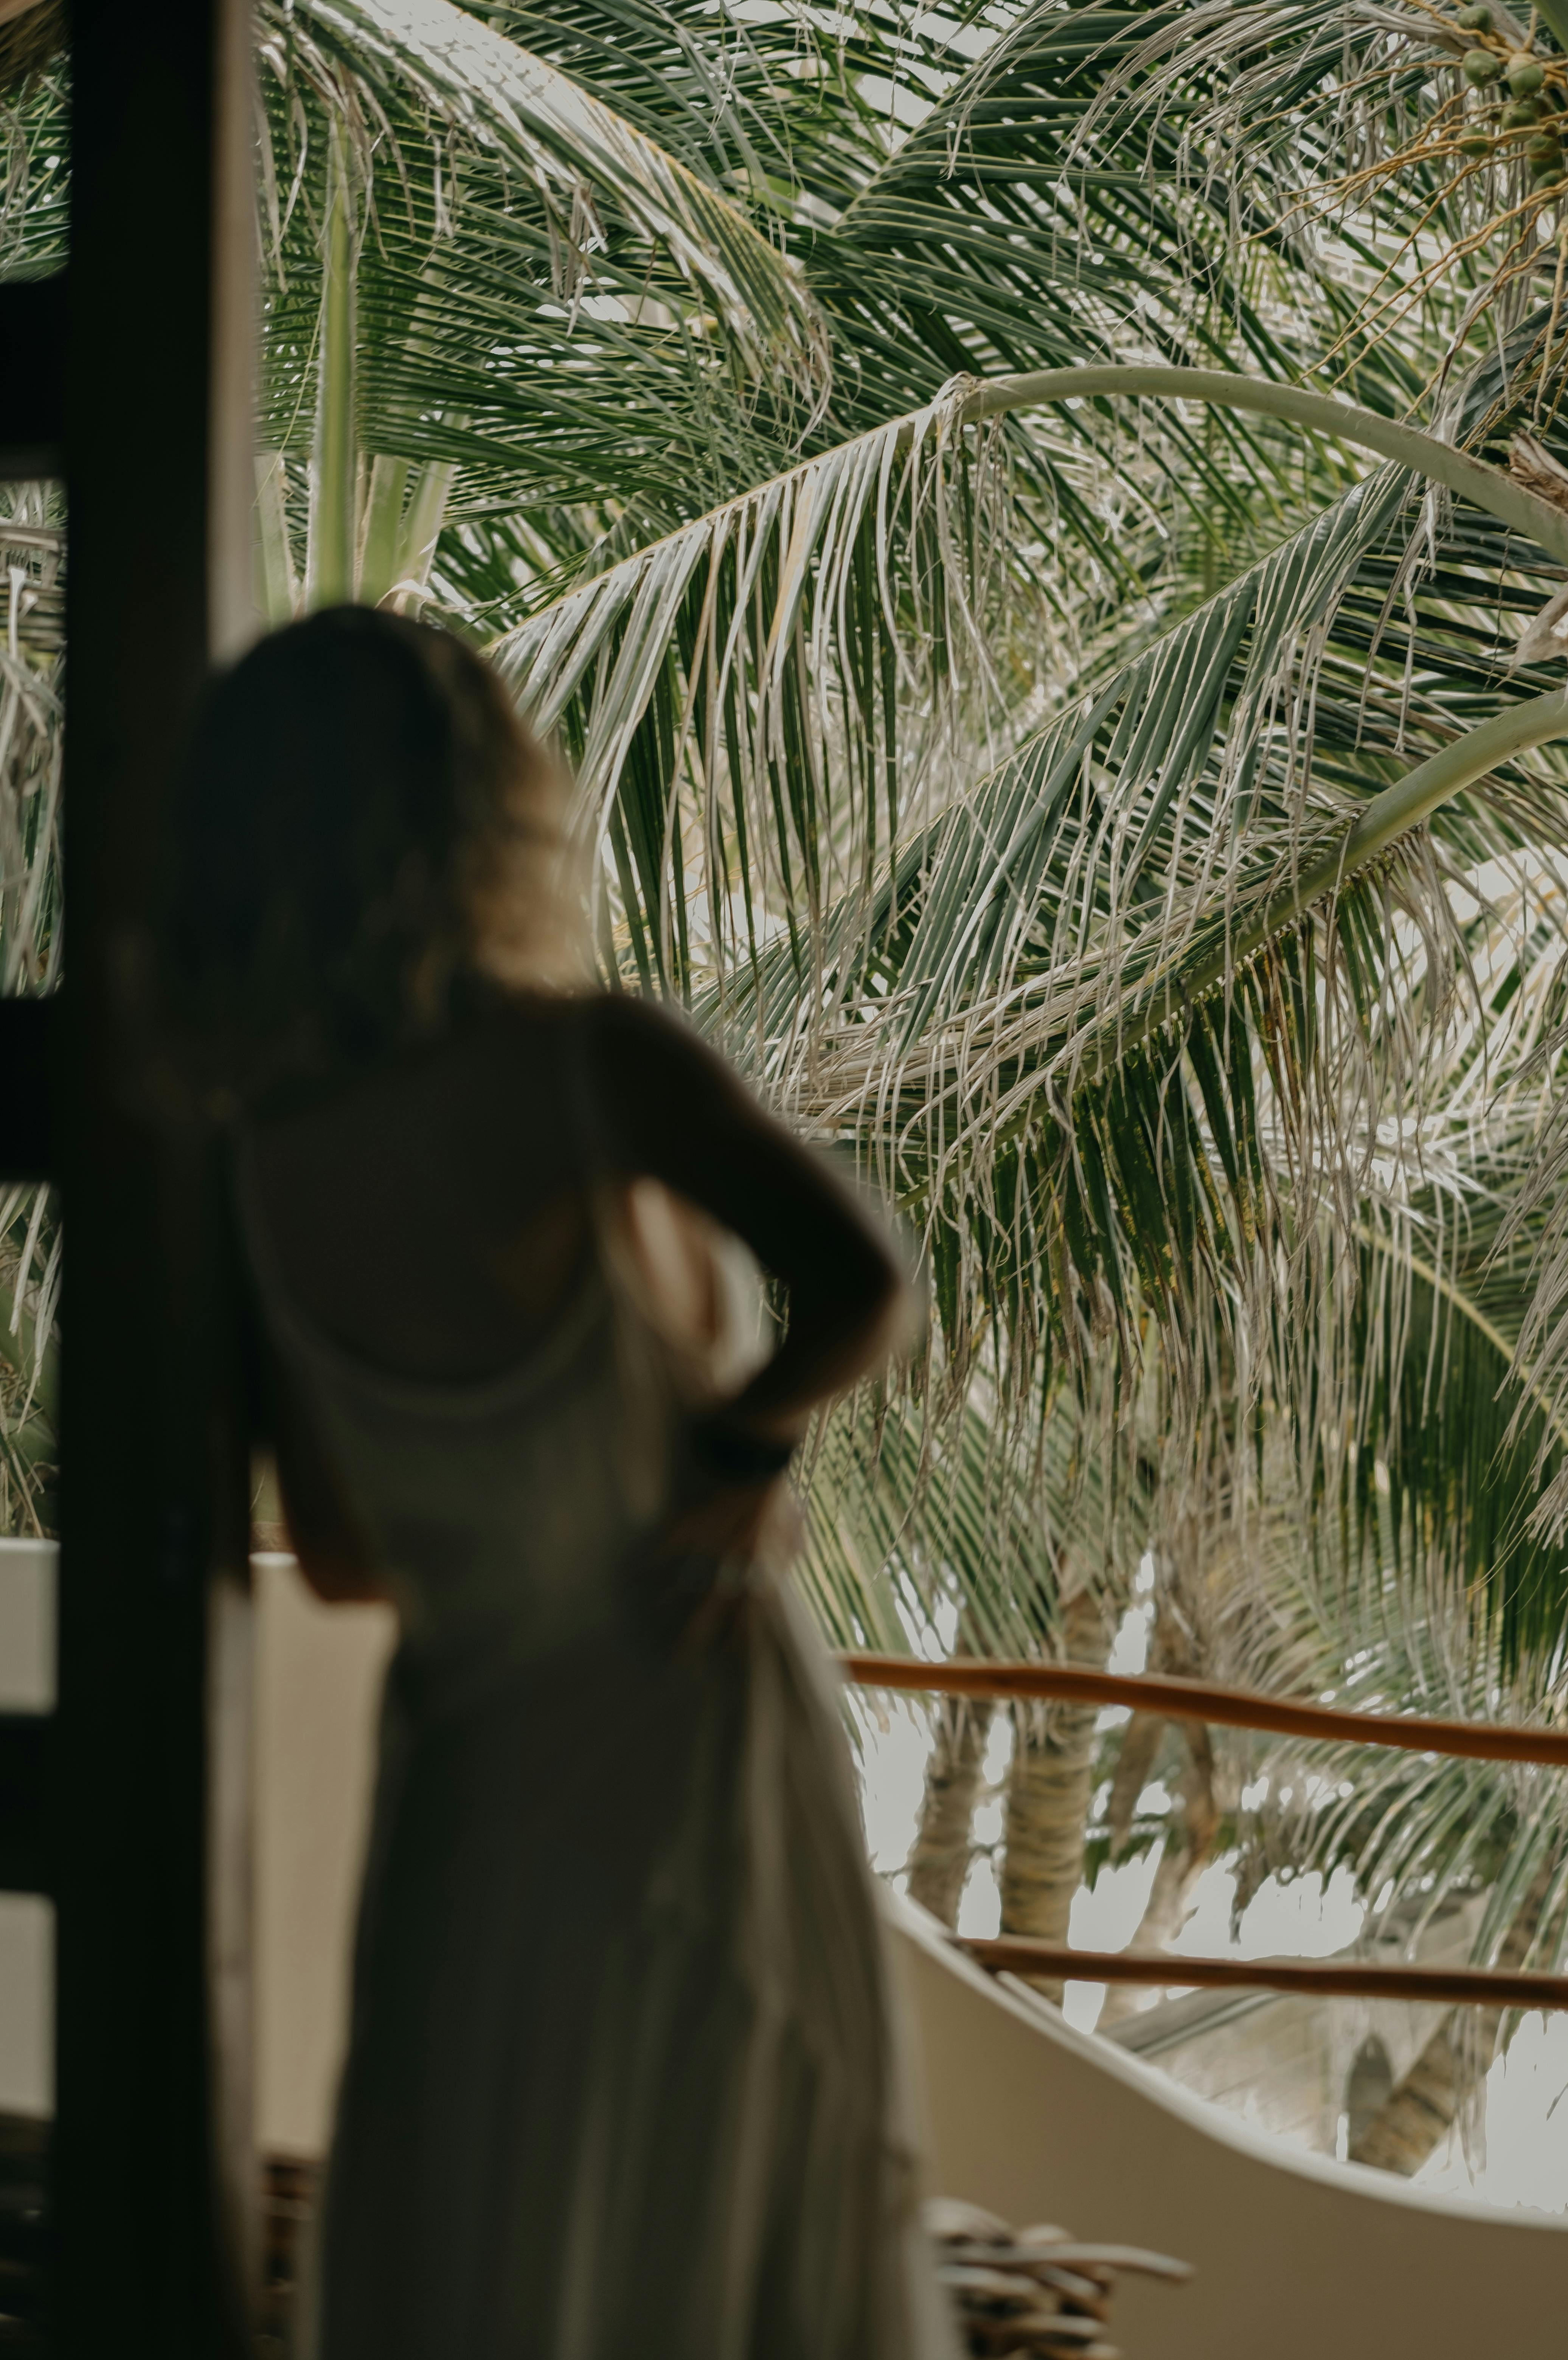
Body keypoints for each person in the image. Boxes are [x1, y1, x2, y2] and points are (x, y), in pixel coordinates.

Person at [162, 606, 958, 2360]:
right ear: (481, 818)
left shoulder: (256, 1173)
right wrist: (740, 1447)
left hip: (471, 1781)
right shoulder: (591, 1066)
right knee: (725, 2220)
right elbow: (866, 1283)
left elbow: (350, 1560)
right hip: (684, 1729)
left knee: (499, 2233)